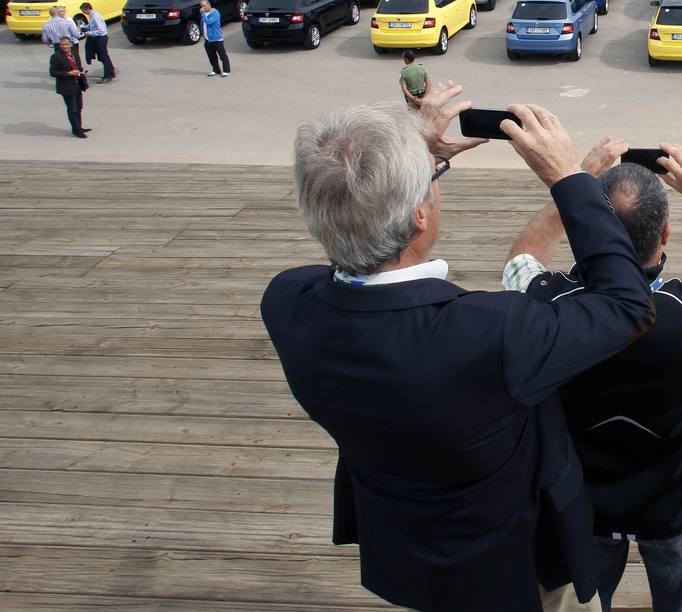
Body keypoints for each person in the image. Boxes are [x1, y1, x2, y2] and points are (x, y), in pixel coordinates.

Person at [260, 88, 654, 612]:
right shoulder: (489, 333)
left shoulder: (288, 306)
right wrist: (568, 178)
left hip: (404, 551)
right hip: (511, 566)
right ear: (420, 216)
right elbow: (628, 306)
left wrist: (414, 158)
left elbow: (342, 253)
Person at [504, 144, 682, 612]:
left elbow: (521, 258)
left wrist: (572, 182)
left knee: (589, 600)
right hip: (678, 500)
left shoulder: (548, 306)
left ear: (582, 232)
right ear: (666, 233)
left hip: (583, 503)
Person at [49, 35, 89, 138]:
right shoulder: (56, 56)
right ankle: (76, 130)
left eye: (66, 44)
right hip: (66, 86)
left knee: (79, 107)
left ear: (71, 44)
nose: (64, 46)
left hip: (77, 84)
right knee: (72, 109)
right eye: (62, 45)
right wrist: (68, 73)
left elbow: (78, 66)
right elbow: (53, 72)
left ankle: (79, 127)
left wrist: (82, 71)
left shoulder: (74, 53)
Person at [79, 2, 116, 83]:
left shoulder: (95, 16)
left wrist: (89, 33)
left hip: (100, 38)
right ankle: (111, 71)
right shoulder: (92, 15)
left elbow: (101, 30)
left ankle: (108, 75)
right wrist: (85, 27)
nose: (83, 13)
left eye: (83, 11)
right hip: (99, 38)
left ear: (87, 9)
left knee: (103, 57)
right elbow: (91, 25)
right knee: (104, 56)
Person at [200, 0, 231, 78]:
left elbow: (209, 22)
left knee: (222, 55)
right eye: (201, 7)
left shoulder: (215, 13)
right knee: (211, 56)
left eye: (204, 6)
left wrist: (203, 14)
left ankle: (226, 70)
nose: (203, 8)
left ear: (209, 5)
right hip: (208, 39)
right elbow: (203, 24)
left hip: (216, 39)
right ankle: (216, 69)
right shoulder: (205, 14)